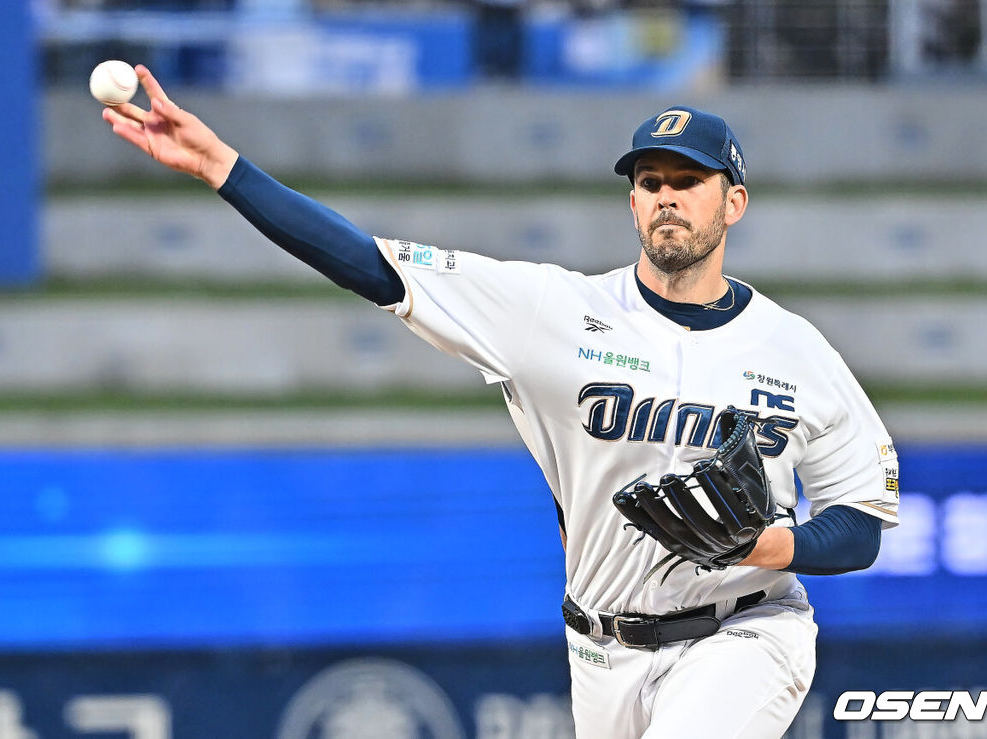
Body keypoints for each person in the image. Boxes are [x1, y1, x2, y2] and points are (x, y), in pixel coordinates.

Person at [101, 67, 900, 738]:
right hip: (601, 645)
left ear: (734, 202)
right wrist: (224, 169)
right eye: (650, 182)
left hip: (746, 630)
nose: (666, 196)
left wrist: (767, 545)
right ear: (631, 203)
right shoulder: (552, 312)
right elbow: (371, 265)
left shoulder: (796, 350)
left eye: (688, 181)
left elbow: (859, 524)